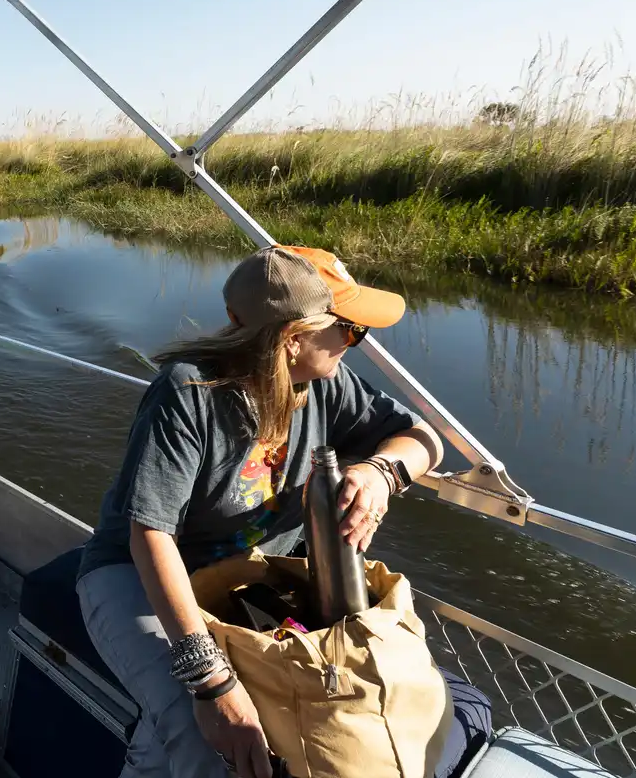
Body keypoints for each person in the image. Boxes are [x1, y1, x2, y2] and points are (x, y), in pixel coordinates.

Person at [75, 245, 446, 778]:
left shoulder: (326, 384)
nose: (355, 344)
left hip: (246, 578)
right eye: (349, 331)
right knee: (213, 732)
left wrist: (380, 473)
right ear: (293, 340)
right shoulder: (188, 393)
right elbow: (149, 535)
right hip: (135, 575)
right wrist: (211, 680)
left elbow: (426, 440)